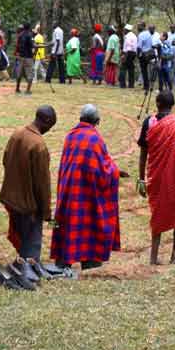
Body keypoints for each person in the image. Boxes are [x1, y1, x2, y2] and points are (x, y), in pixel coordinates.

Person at [52, 105, 122, 272]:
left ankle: (63, 260)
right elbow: (102, 169)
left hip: (69, 188)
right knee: (89, 222)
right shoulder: (95, 139)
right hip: (87, 190)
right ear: (96, 121)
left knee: (68, 222)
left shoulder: (70, 136)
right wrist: (116, 172)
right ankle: (89, 259)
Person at [0, 106, 57, 281]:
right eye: (51, 126)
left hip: (11, 197)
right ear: (46, 121)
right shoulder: (38, 145)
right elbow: (42, 183)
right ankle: (26, 274)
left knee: (23, 235)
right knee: (32, 238)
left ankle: (26, 267)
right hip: (28, 203)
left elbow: (5, 159)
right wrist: (45, 211)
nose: (49, 130)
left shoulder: (17, 133)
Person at [137, 91, 175, 265]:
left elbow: (143, 153)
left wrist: (141, 178)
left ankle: (154, 256)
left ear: (157, 103)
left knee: (158, 213)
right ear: (173, 104)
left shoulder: (149, 122)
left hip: (156, 176)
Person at [15, 23, 35, 94]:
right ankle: (28, 90)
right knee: (30, 73)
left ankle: (17, 88)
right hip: (28, 57)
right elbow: (33, 46)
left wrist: (17, 53)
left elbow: (17, 45)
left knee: (19, 73)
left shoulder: (20, 35)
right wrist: (45, 46)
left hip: (21, 56)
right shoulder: (29, 35)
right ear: (29, 28)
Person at [120, 24, 138, 89]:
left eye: (124, 30)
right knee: (131, 69)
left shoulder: (127, 36)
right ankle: (131, 85)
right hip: (133, 53)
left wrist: (124, 55)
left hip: (128, 53)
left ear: (127, 30)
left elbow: (127, 46)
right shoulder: (134, 36)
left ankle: (122, 85)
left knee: (123, 68)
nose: (124, 31)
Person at [137, 23, 154, 91]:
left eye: (139, 26)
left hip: (143, 54)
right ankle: (148, 85)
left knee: (144, 70)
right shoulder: (149, 34)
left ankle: (146, 86)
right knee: (147, 70)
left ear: (143, 26)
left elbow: (139, 47)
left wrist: (138, 55)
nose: (138, 27)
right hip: (149, 54)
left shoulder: (141, 34)